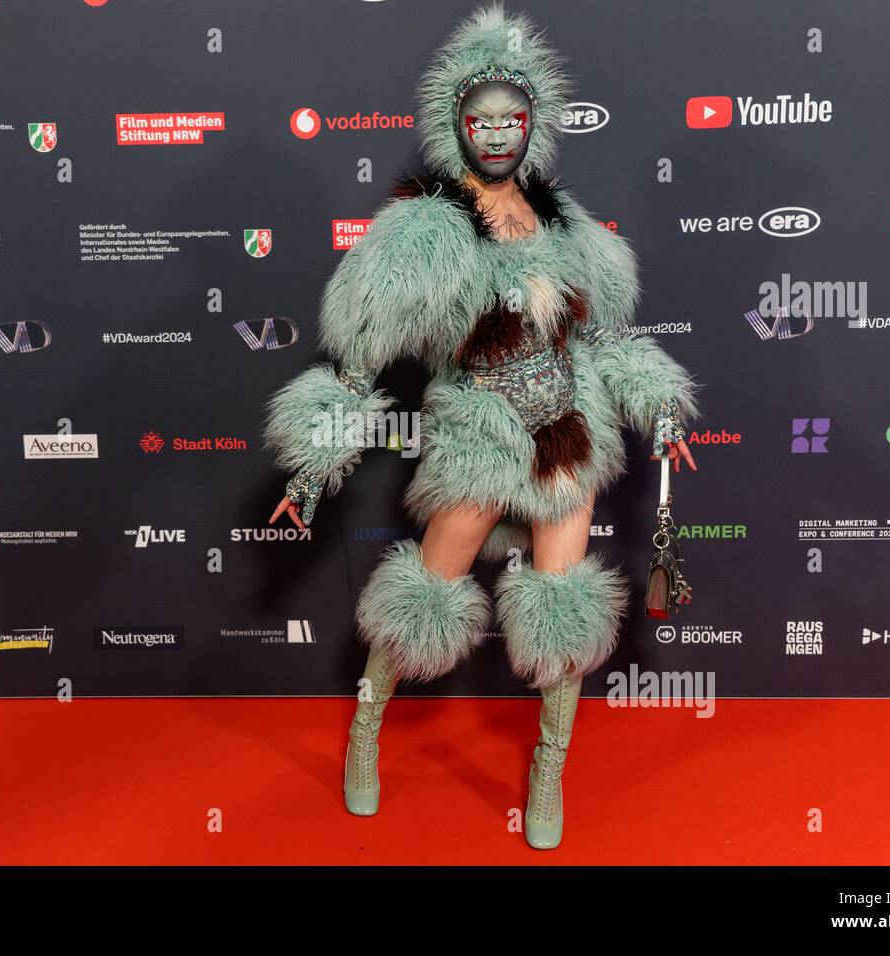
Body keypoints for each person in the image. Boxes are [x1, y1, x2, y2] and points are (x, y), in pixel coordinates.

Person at [263, 2, 701, 850]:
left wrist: (659, 403)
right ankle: (364, 735)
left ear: (533, 125)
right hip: (477, 438)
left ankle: (548, 767)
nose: (496, 133)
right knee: (423, 600)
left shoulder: (567, 226)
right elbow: (357, 365)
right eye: (480, 118)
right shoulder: (420, 236)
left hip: (570, 436)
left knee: (564, 609)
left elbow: (606, 341)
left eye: (511, 118)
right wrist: (313, 470)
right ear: (454, 124)